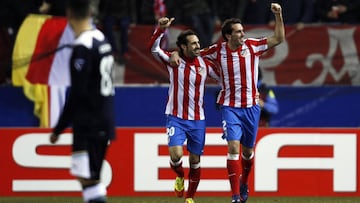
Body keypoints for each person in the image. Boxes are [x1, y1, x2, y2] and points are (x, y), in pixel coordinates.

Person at [171, 3, 285, 203]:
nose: (243, 35)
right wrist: (174, 54)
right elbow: (192, 54)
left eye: (242, 31)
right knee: (233, 148)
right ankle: (235, 197)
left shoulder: (253, 46)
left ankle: (244, 183)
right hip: (230, 106)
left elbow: (279, 38)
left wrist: (278, 15)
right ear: (227, 36)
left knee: (248, 153)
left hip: (251, 107)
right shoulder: (217, 50)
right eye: (238, 32)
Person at [49, 0, 116, 203]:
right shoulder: (101, 39)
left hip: (89, 123)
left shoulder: (83, 46)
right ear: (90, 11)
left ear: (69, 13)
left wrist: (59, 128)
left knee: (88, 179)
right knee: (89, 179)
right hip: (104, 118)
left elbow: (77, 94)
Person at [149, 17, 220, 203]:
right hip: (176, 117)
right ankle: (180, 176)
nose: (198, 46)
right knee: (176, 155)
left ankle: (190, 197)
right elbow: (154, 49)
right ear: (182, 47)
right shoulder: (174, 61)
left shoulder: (205, 64)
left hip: (198, 120)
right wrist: (161, 29)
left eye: (198, 43)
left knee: (195, 161)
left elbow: (223, 78)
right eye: (193, 44)